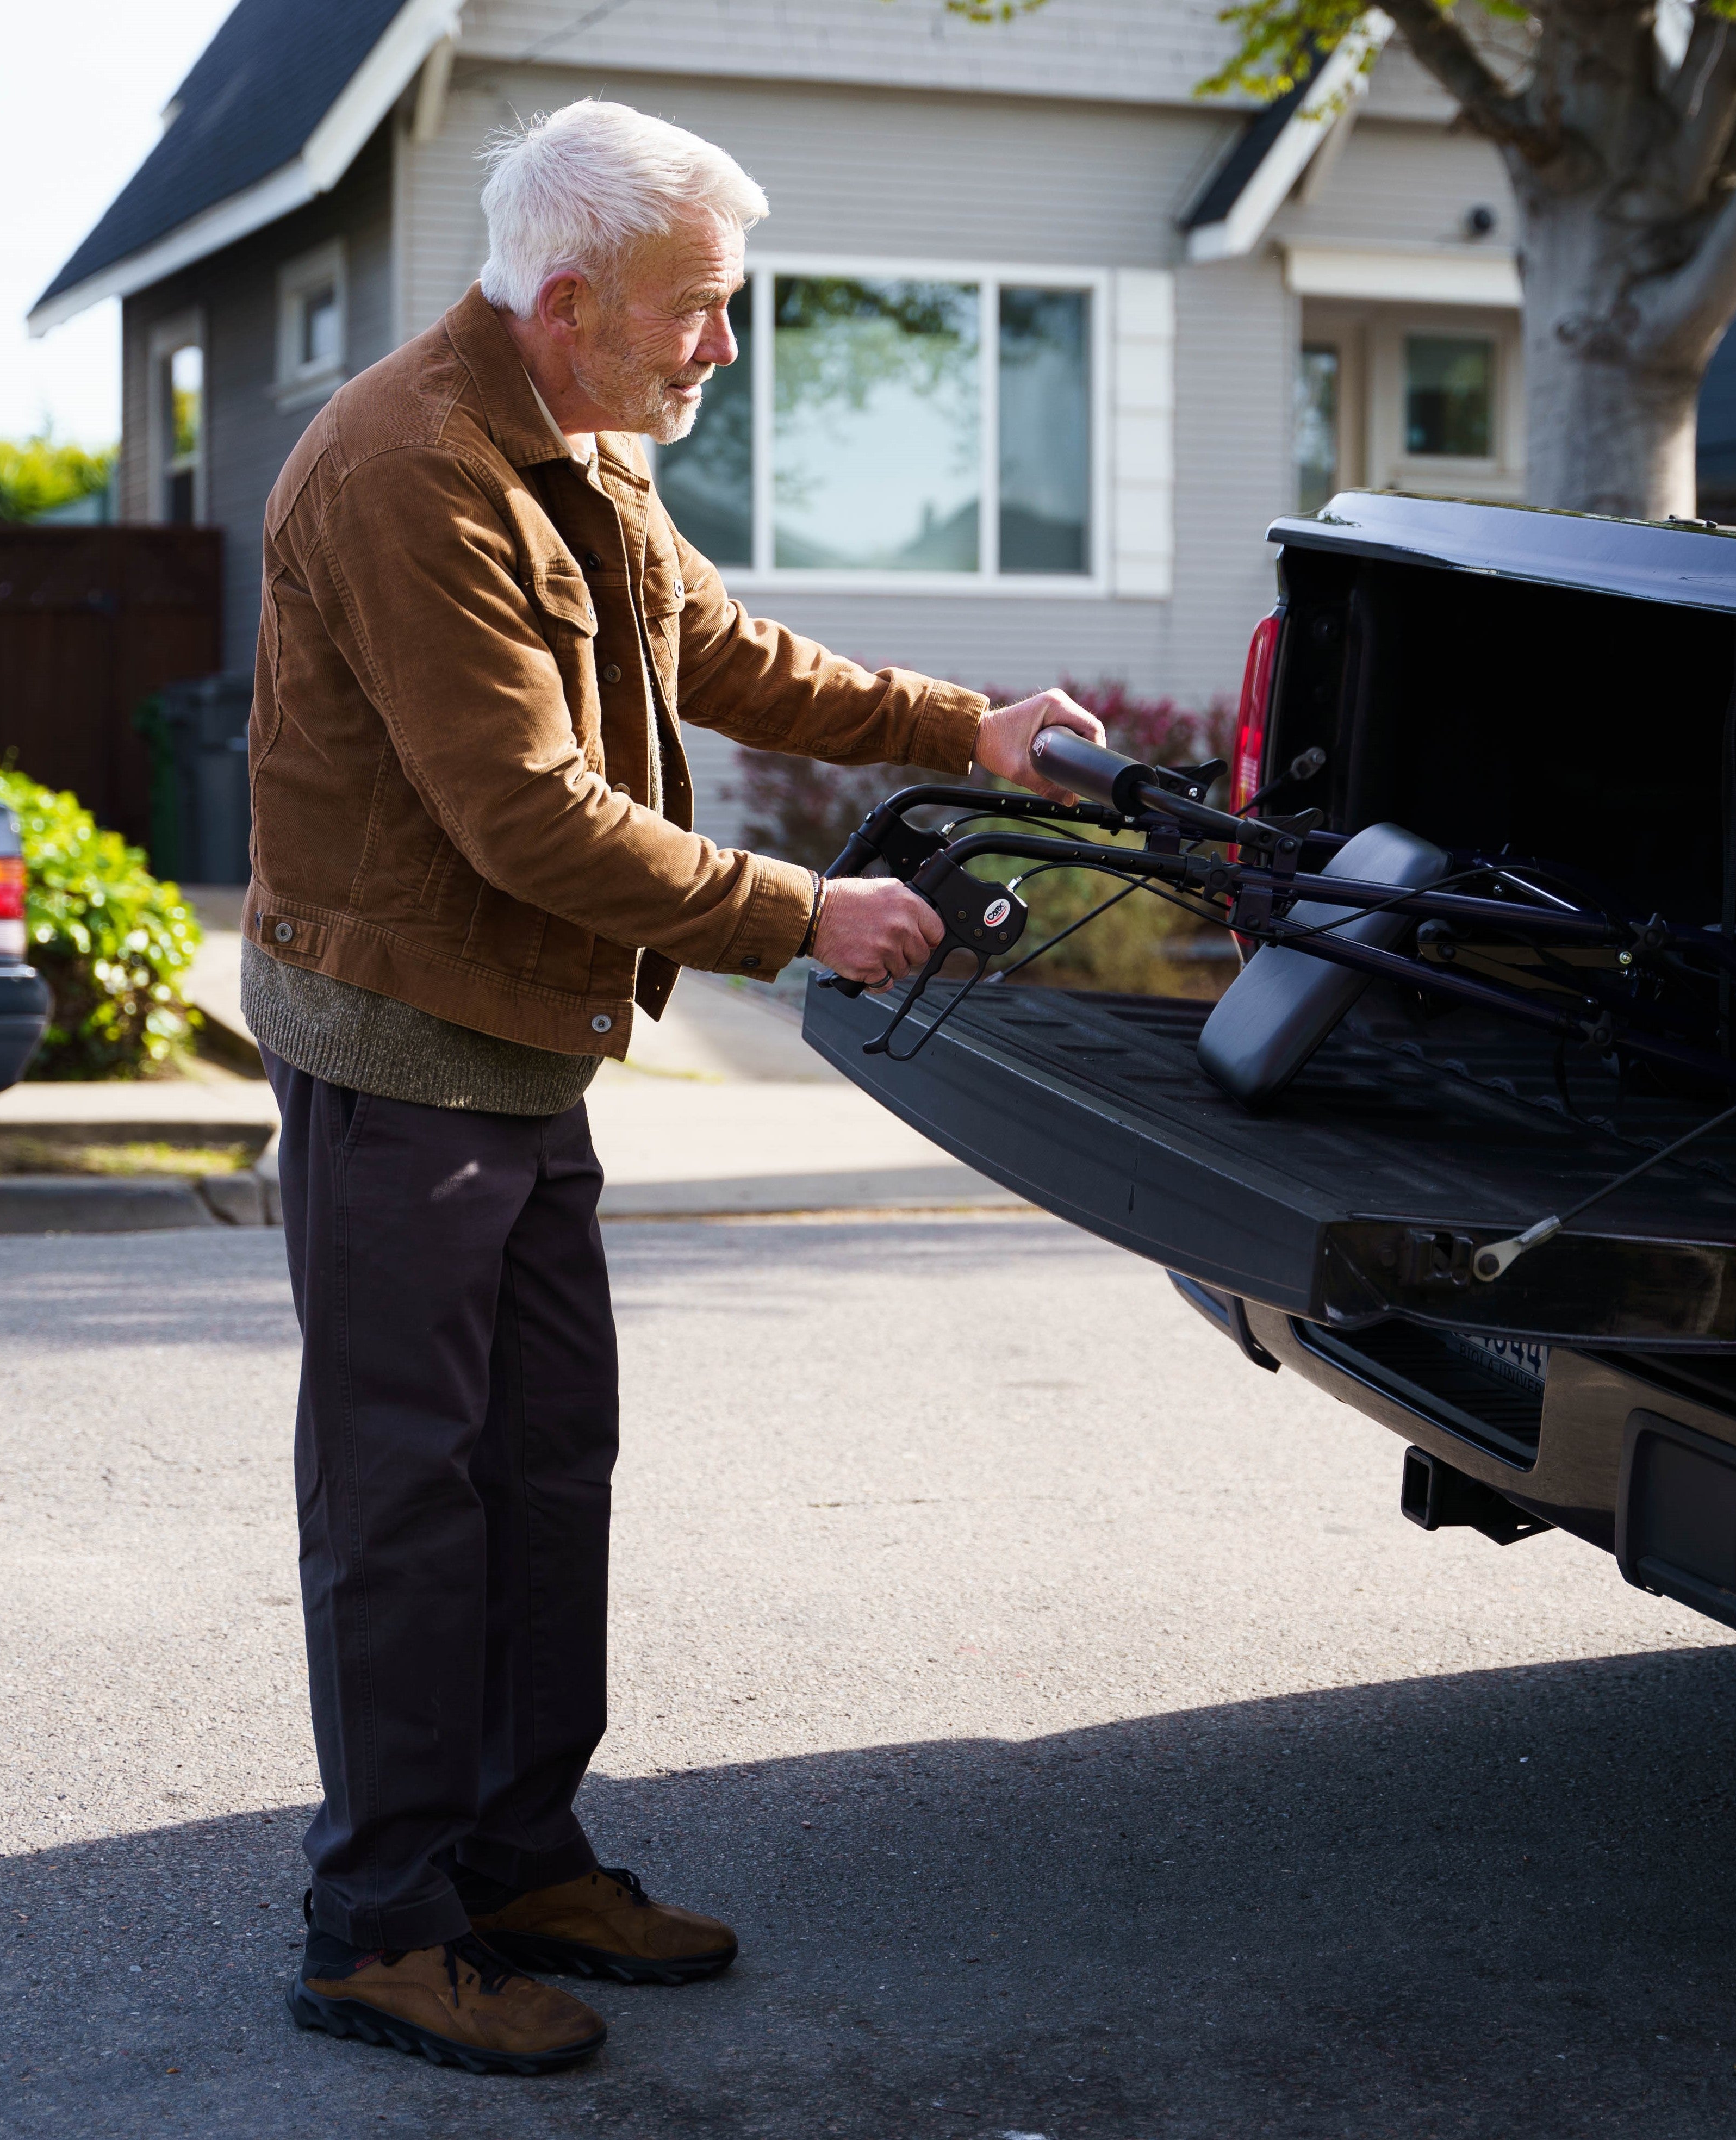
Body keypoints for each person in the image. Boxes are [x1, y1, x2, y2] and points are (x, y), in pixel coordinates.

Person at [244, 97, 1103, 2075]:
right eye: (699, 312)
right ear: (567, 303)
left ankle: (520, 1857)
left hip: (528, 1053)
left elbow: (707, 645)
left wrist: (962, 727)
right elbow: (524, 817)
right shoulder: (408, 471)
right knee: (405, 1496)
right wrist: (811, 914)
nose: (722, 346)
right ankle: (377, 1922)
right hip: (405, 1057)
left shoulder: (579, 441)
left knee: (547, 1467)